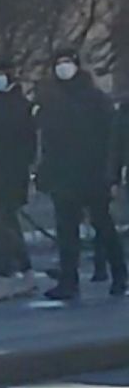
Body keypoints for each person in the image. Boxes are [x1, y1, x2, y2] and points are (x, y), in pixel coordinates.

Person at [36, 48, 126, 299]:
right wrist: (45, 170)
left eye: (67, 62)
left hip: (92, 172)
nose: (63, 68)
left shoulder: (94, 97)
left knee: (103, 225)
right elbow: (47, 140)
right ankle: (69, 281)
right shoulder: (50, 100)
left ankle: (119, 274)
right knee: (66, 231)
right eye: (59, 63)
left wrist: (109, 173)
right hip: (64, 174)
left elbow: (111, 136)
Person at [0, 58, 39, 301]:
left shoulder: (18, 105)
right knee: (7, 224)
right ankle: (23, 269)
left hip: (9, 174)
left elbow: (28, 141)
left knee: (1, 226)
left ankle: (7, 273)